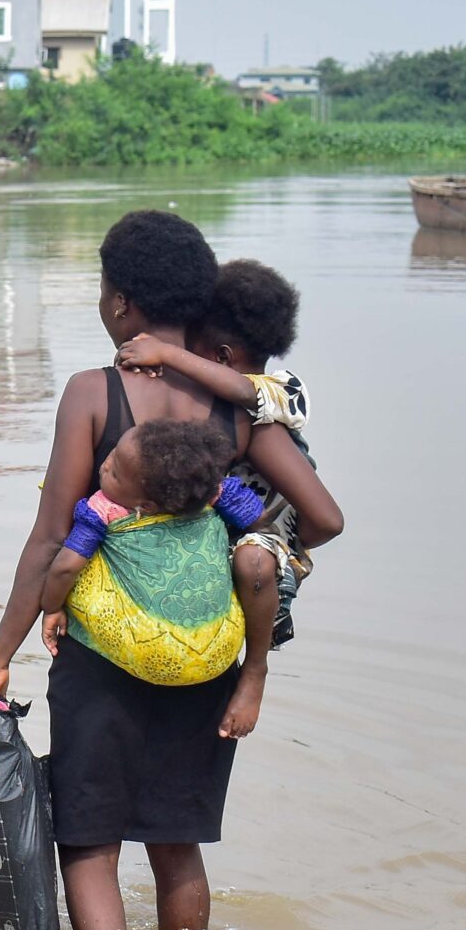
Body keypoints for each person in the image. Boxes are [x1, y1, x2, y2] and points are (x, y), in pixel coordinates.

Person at [0, 210, 340, 930]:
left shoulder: (94, 393)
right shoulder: (235, 408)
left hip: (104, 656)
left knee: (90, 843)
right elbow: (322, 516)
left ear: (121, 304)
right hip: (205, 658)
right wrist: (250, 555)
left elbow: (47, 539)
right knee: (176, 840)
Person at [116, 259, 315, 687]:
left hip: (267, 555)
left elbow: (328, 520)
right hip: (247, 540)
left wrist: (169, 354)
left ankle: (256, 669)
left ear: (222, 357)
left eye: (194, 351)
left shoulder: (281, 395)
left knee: (256, 563)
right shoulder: (230, 413)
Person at [37, 418, 265, 687]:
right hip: (220, 653)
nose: (106, 465)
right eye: (112, 456)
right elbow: (256, 519)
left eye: (115, 474)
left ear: (145, 506)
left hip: (145, 651)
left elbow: (66, 566)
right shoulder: (212, 491)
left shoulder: (103, 509)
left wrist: (51, 608)